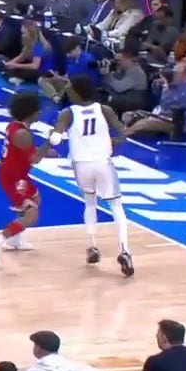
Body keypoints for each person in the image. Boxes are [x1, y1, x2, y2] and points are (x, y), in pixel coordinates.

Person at [47, 74, 133, 276]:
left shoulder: (67, 113)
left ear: (76, 91)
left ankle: (92, 246)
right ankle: (125, 250)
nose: (67, 87)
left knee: (90, 203)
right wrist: (111, 142)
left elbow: (56, 139)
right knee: (116, 205)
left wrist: (53, 135)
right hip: (102, 162)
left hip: (81, 164)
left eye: (69, 85)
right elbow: (122, 132)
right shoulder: (105, 110)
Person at [0, 91, 53, 265]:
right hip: (14, 178)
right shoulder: (23, 134)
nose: (40, 113)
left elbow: (25, 152)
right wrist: (49, 143)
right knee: (32, 215)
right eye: (38, 110)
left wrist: (44, 151)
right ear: (30, 112)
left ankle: (15, 241)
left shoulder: (15, 126)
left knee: (36, 198)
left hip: (15, 173)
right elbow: (34, 158)